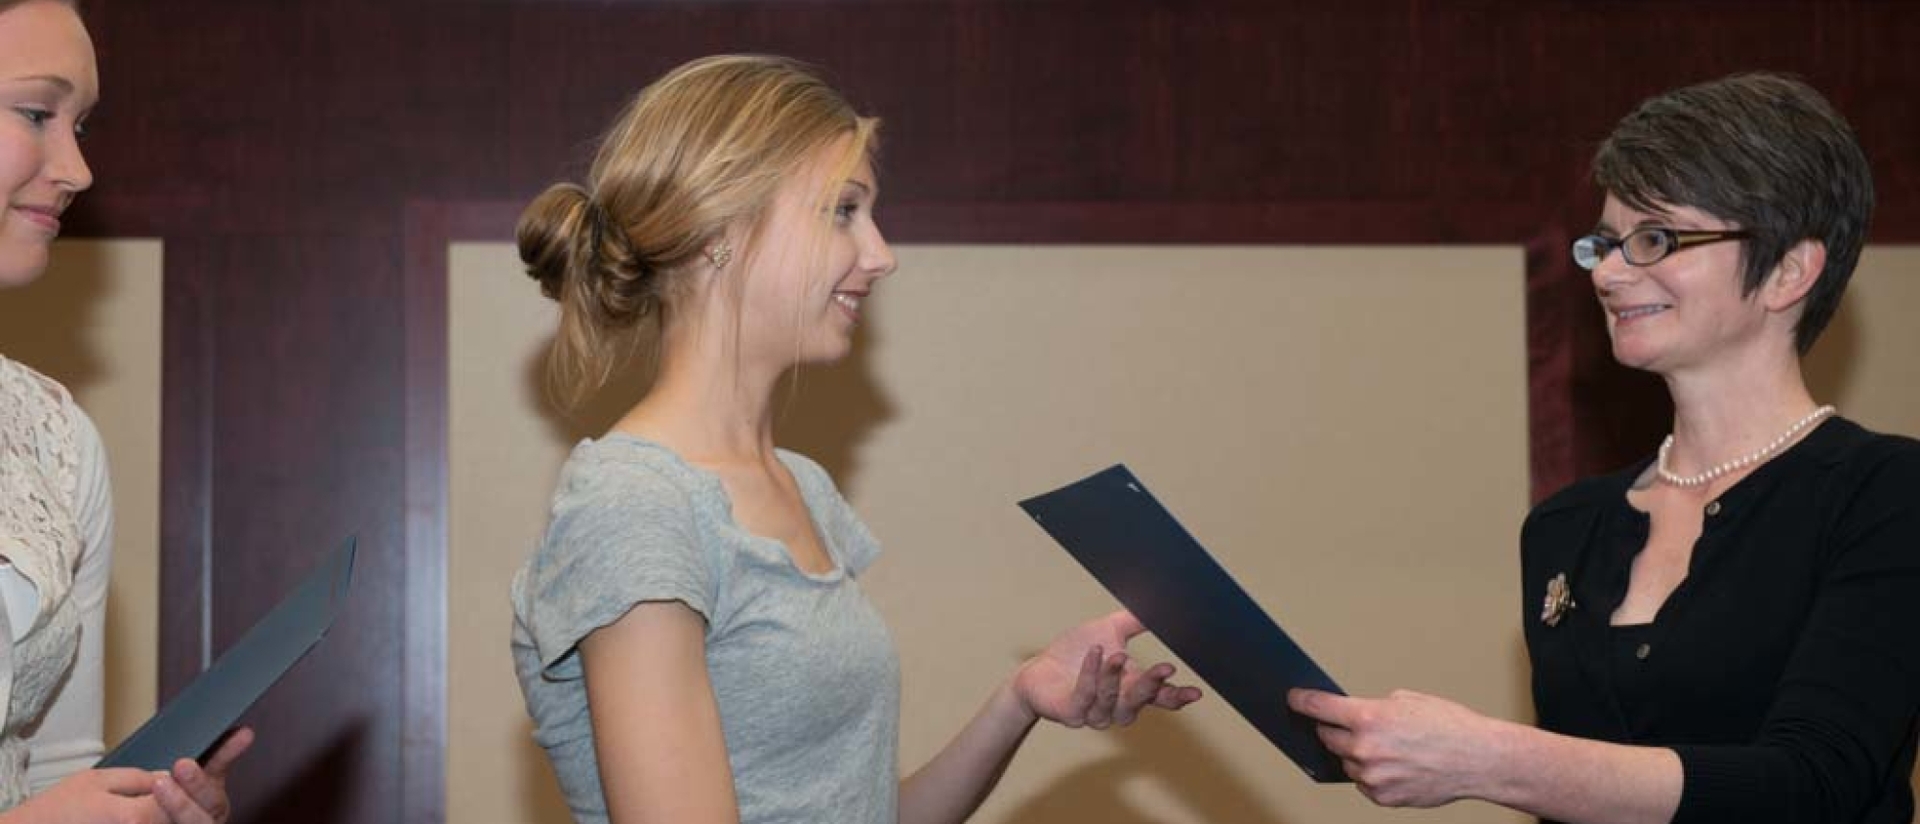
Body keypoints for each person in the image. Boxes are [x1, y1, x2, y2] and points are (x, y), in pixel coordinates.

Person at [509, 54, 1202, 824]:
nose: (881, 254)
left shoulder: (798, 486)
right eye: (843, 210)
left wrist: (1020, 698)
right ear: (718, 234)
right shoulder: (637, 508)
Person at [1289, 72, 1920, 824]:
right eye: (1605, 243)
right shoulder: (1566, 525)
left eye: (1656, 238)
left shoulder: (1884, 492)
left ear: (1790, 270)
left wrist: (1492, 758)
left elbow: (1816, 785)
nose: (1612, 273)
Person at [0, 1, 251, 821]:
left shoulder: (55, 440)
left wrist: (142, 806)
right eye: (37, 112)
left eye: (83, 126)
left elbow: (55, 765)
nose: (76, 168)